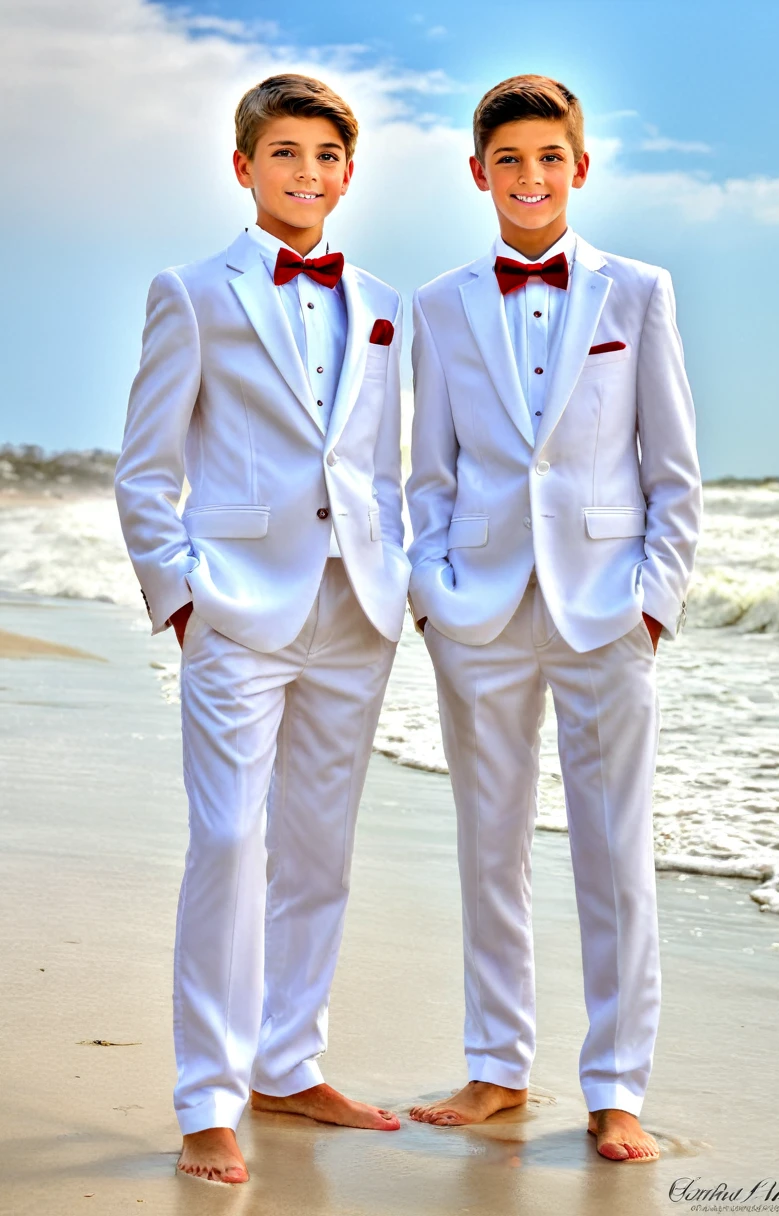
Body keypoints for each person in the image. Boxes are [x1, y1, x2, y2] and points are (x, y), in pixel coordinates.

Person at [115, 73, 410, 1185]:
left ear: (348, 170)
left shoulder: (386, 300)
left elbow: (388, 462)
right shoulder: (192, 291)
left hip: (355, 611)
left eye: (325, 155)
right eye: (283, 154)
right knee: (231, 845)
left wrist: (407, 577)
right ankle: (207, 1098)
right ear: (245, 167)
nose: (306, 173)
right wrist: (182, 598)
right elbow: (146, 468)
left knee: (318, 854)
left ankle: (289, 1061)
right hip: (235, 610)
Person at [405, 74, 701, 1163]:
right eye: (509, 160)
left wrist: (652, 602)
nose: (531, 178)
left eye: (549, 158)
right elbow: (426, 469)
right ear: (478, 172)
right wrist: (431, 591)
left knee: (614, 856)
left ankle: (616, 1086)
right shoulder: (437, 304)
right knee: (488, 847)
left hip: (605, 613)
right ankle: (496, 1068)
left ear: (580, 166)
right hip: (477, 612)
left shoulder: (639, 291)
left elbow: (673, 468)